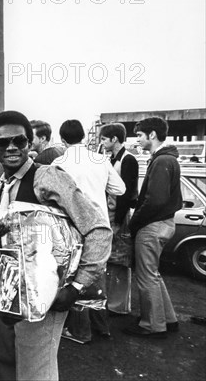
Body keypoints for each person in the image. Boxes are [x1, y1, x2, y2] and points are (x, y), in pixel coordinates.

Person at [0, 111, 111, 380]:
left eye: (19, 141)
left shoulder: (46, 177)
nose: (11, 147)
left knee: (37, 373)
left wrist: (76, 287)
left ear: (30, 143)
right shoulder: (4, 183)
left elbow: (98, 229)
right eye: (2, 143)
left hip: (47, 297)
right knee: (9, 369)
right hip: (11, 299)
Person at [52, 119, 125, 343]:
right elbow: (120, 189)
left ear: (63, 140)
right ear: (83, 137)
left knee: (75, 274)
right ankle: (102, 327)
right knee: (97, 272)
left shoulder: (59, 161)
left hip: (73, 225)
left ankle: (80, 331)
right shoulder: (101, 159)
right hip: (100, 225)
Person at [124, 117, 182, 338]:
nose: (137, 140)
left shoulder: (161, 161)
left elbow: (155, 200)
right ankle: (168, 319)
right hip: (165, 223)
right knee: (153, 274)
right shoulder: (169, 159)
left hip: (152, 226)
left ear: (152, 135)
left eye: (140, 135)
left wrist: (135, 222)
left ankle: (152, 325)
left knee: (146, 276)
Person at [100, 123, 138, 317]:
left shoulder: (128, 159)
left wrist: (118, 221)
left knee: (121, 262)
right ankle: (113, 302)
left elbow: (127, 192)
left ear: (114, 139)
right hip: (112, 215)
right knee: (113, 261)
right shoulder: (113, 158)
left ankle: (119, 305)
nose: (102, 142)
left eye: (104, 139)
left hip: (119, 218)